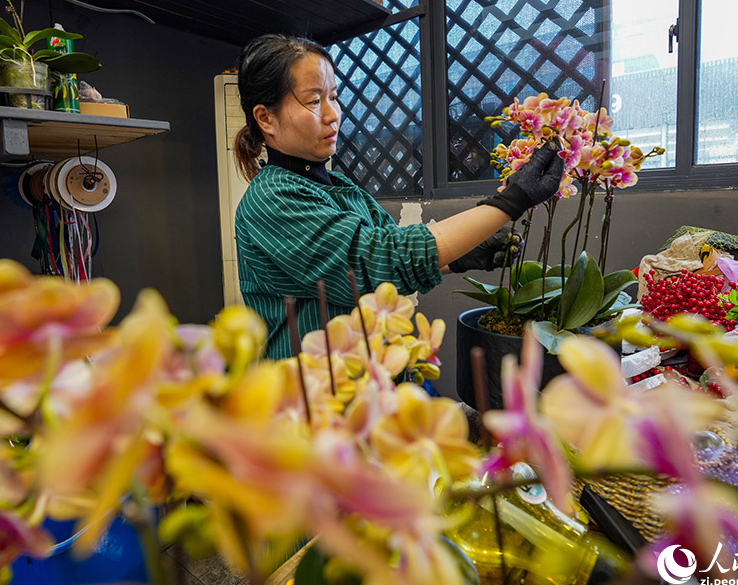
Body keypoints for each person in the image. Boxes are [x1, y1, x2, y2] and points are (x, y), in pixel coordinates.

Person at [233, 34, 563, 359]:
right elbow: (381, 263)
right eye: (315, 100)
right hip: (313, 399)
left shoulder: (336, 186)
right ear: (266, 118)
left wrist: (459, 259)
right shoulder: (272, 199)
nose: (333, 114)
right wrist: (509, 202)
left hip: (366, 388)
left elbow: (390, 252)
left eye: (334, 96)